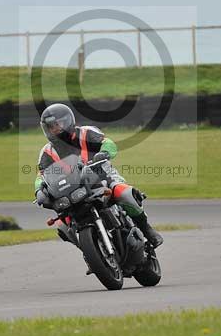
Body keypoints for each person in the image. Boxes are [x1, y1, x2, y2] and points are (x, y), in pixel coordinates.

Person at [33, 103, 163, 247]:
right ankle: (89, 251)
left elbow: (107, 143)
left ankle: (147, 230)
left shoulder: (86, 133)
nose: (56, 129)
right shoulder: (47, 152)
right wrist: (39, 190)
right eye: (51, 126)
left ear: (69, 121)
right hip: (73, 188)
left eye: (59, 124)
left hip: (102, 176)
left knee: (124, 193)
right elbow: (42, 174)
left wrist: (104, 152)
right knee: (62, 224)